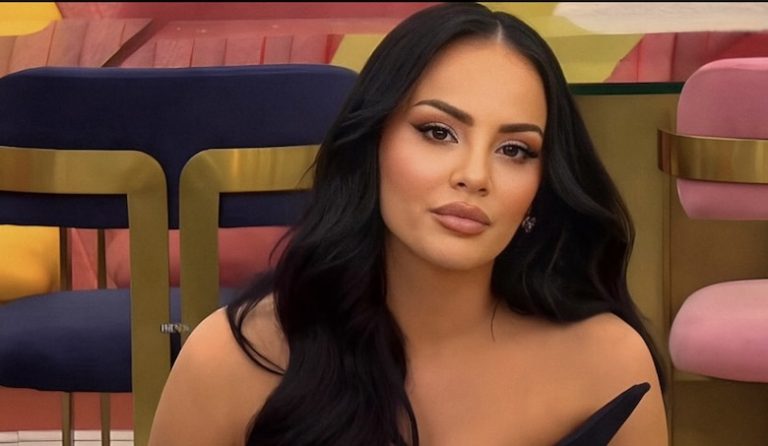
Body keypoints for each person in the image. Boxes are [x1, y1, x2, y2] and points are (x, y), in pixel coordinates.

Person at [149, 3, 668, 445]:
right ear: (372, 144)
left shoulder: (609, 364)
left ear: (541, 186)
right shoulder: (230, 361)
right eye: (438, 132)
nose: (474, 176)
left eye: (515, 150)